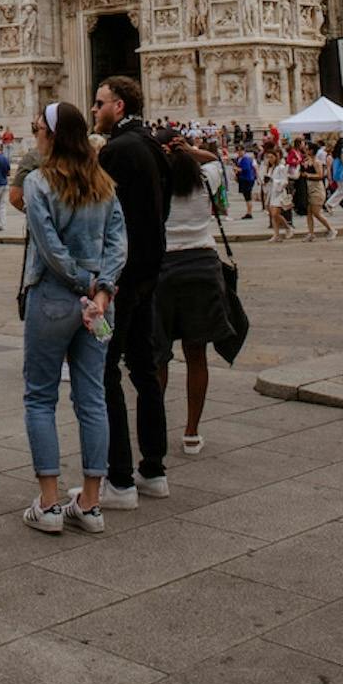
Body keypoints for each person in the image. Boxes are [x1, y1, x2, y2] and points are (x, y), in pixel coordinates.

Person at [20, 102, 126, 534]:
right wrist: (102, 289)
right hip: (98, 305)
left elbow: (48, 248)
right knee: (92, 398)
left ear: (51, 135)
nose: (34, 135)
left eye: (37, 129)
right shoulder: (104, 183)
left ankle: (48, 504)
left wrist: (83, 284)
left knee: (40, 397)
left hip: (55, 299)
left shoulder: (37, 182)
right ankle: (92, 503)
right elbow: (119, 243)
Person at [91, 74, 171, 511]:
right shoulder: (154, 145)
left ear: (118, 106)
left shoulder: (118, 151)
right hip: (149, 273)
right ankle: (154, 471)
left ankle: (119, 480)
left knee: (105, 374)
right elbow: (167, 204)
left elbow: (101, 214)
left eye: (99, 103)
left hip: (120, 279)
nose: (94, 109)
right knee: (145, 369)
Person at [153, 137, 238, 456]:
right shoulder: (206, 178)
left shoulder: (156, 183)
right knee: (196, 353)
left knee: (158, 355)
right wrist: (188, 150)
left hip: (164, 268)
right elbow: (216, 157)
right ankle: (191, 432)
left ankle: (156, 427)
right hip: (202, 267)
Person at [301, 144, 337, 241]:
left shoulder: (317, 162)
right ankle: (311, 233)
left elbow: (320, 175)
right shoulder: (307, 161)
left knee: (316, 212)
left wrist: (308, 175)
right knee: (309, 212)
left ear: (312, 151)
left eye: (307, 149)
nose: (305, 150)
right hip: (309, 188)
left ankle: (331, 229)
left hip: (316, 189)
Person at [265, 148, 294, 241]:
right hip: (272, 193)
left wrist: (275, 181)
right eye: (268, 157)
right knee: (273, 214)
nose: (270, 159)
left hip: (279, 192)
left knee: (275, 213)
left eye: (271, 157)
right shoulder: (270, 168)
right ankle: (276, 234)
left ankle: (288, 227)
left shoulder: (281, 167)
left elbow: (285, 181)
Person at [234, 147, 257, 219]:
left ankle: (249, 212)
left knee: (247, 196)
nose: (240, 152)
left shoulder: (246, 159)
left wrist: (236, 169)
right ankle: (248, 212)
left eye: (241, 151)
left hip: (247, 179)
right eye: (238, 151)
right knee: (246, 196)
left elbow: (245, 169)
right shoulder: (240, 159)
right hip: (245, 178)